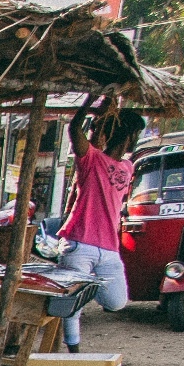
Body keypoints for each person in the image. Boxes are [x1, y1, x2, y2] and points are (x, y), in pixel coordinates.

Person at [53, 97, 145, 351]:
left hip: (109, 248)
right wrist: (90, 102)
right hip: (79, 241)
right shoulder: (91, 159)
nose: (137, 139)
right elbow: (74, 130)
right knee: (71, 309)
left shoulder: (127, 166)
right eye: (136, 133)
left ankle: (79, 290)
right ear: (128, 135)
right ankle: (74, 351)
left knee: (116, 301)